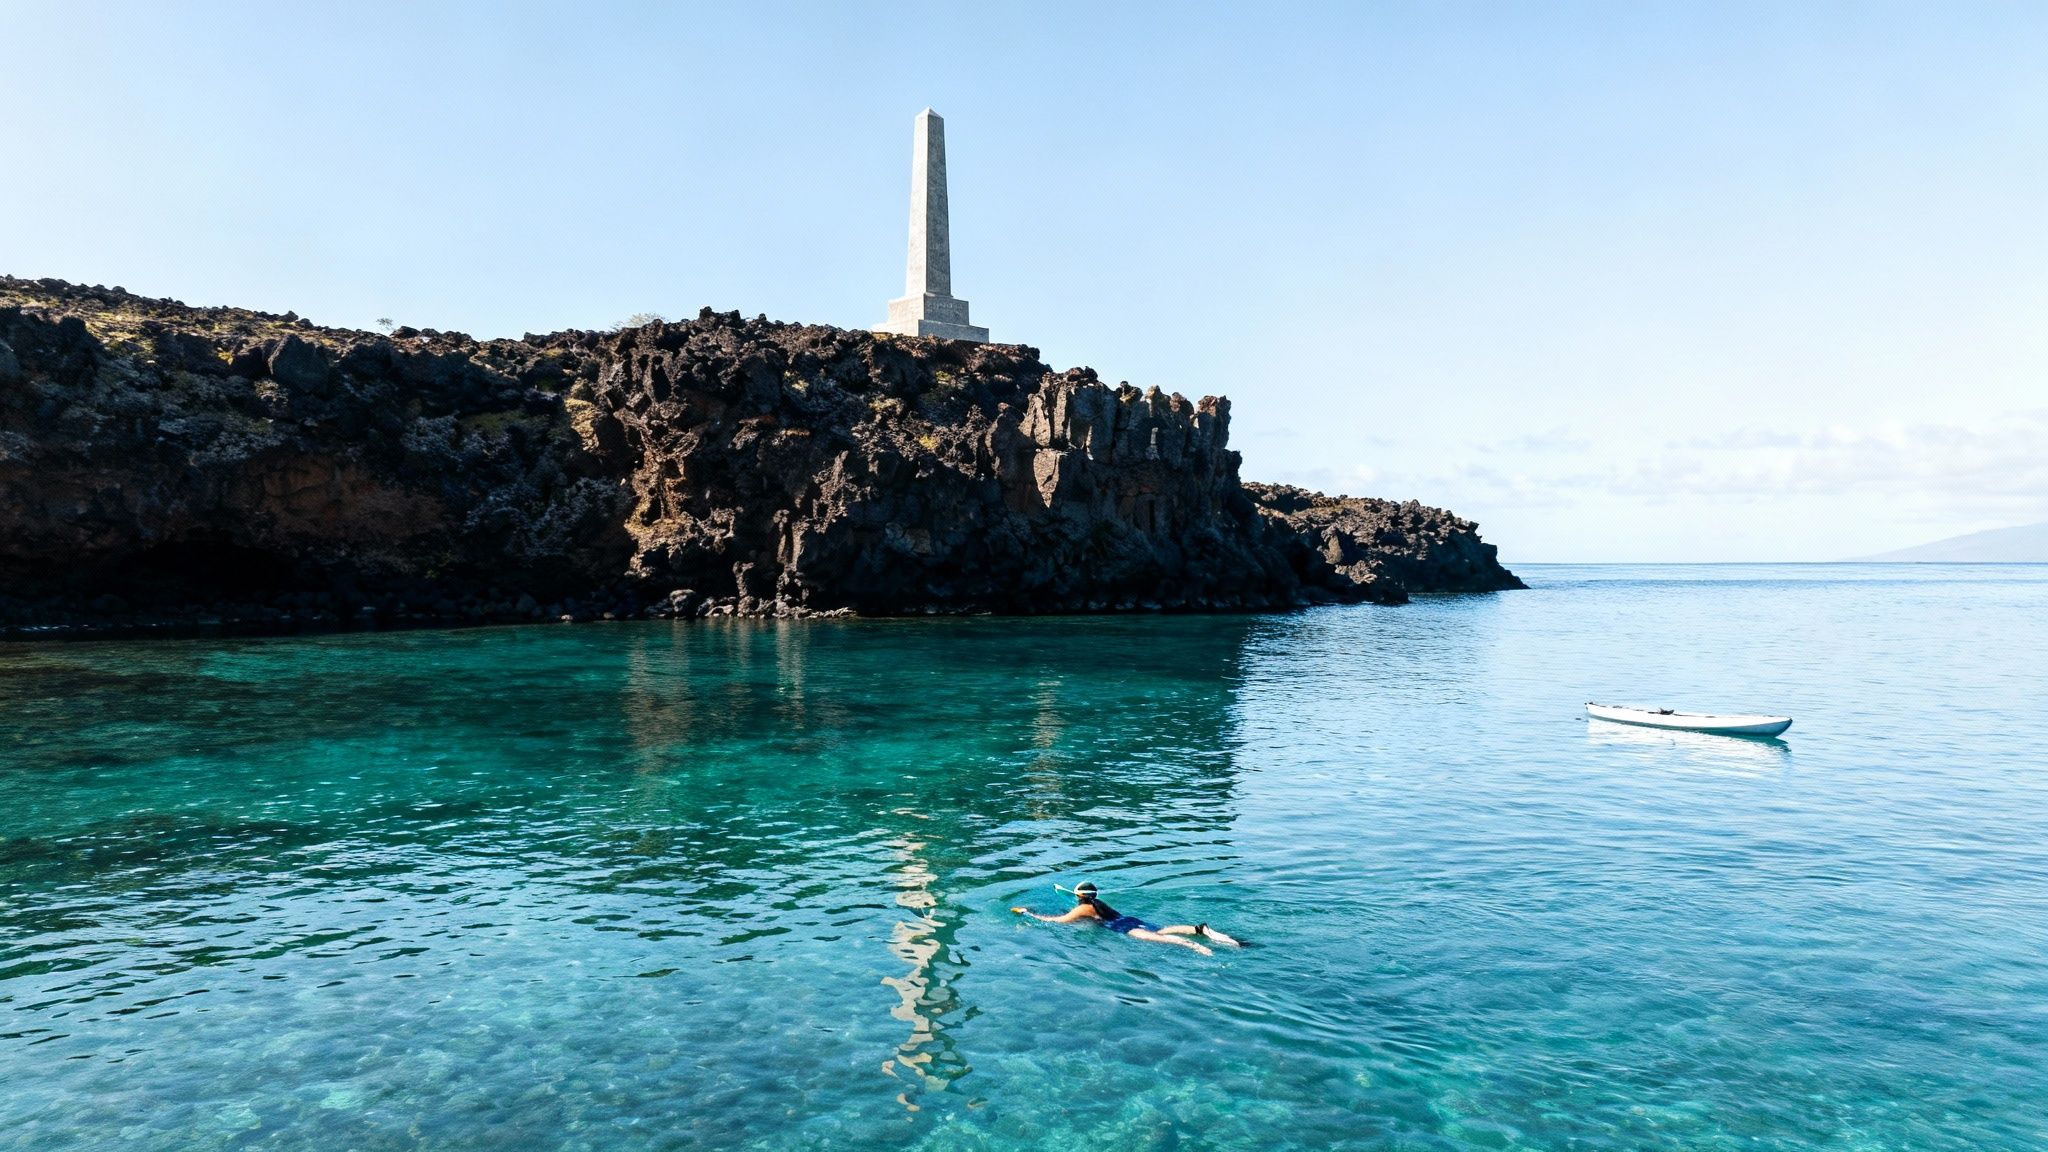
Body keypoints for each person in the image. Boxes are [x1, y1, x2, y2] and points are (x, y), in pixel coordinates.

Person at [1010, 882, 1243, 956]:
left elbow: (1058, 921)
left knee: (1160, 940)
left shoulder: (1083, 909)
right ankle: (1198, 930)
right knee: (1161, 930)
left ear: (1079, 897)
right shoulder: (1098, 903)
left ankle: (1193, 945)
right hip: (1130, 919)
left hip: (1122, 928)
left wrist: (1030, 914)